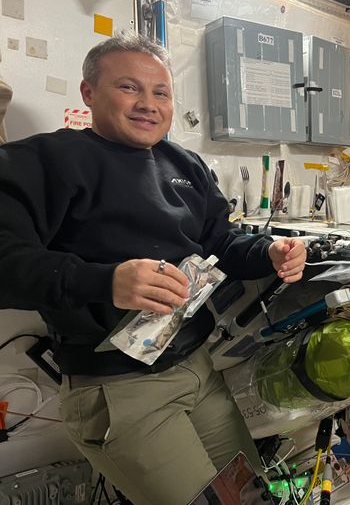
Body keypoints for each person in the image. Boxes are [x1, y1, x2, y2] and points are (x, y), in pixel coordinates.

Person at [0, 31, 307, 505]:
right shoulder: (45, 161)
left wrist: (268, 251)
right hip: (118, 389)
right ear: (88, 93)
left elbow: (220, 244)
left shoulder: (183, 164)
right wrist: (107, 281)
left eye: (160, 92)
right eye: (128, 88)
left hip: (196, 369)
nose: (148, 103)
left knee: (249, 494)